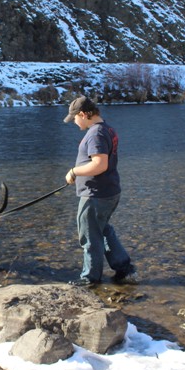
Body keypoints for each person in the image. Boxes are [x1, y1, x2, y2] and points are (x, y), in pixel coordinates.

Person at [63, 95, 136, 286]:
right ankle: (124, 268)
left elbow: (100, 165)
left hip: (95, 195)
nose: (74, 122)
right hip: (108, 191)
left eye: (74, 118)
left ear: (83, 114)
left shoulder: (96, 134)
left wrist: (74, 171)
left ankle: (90, 279)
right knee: (102, 230)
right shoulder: (106, 129)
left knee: (89, 236)